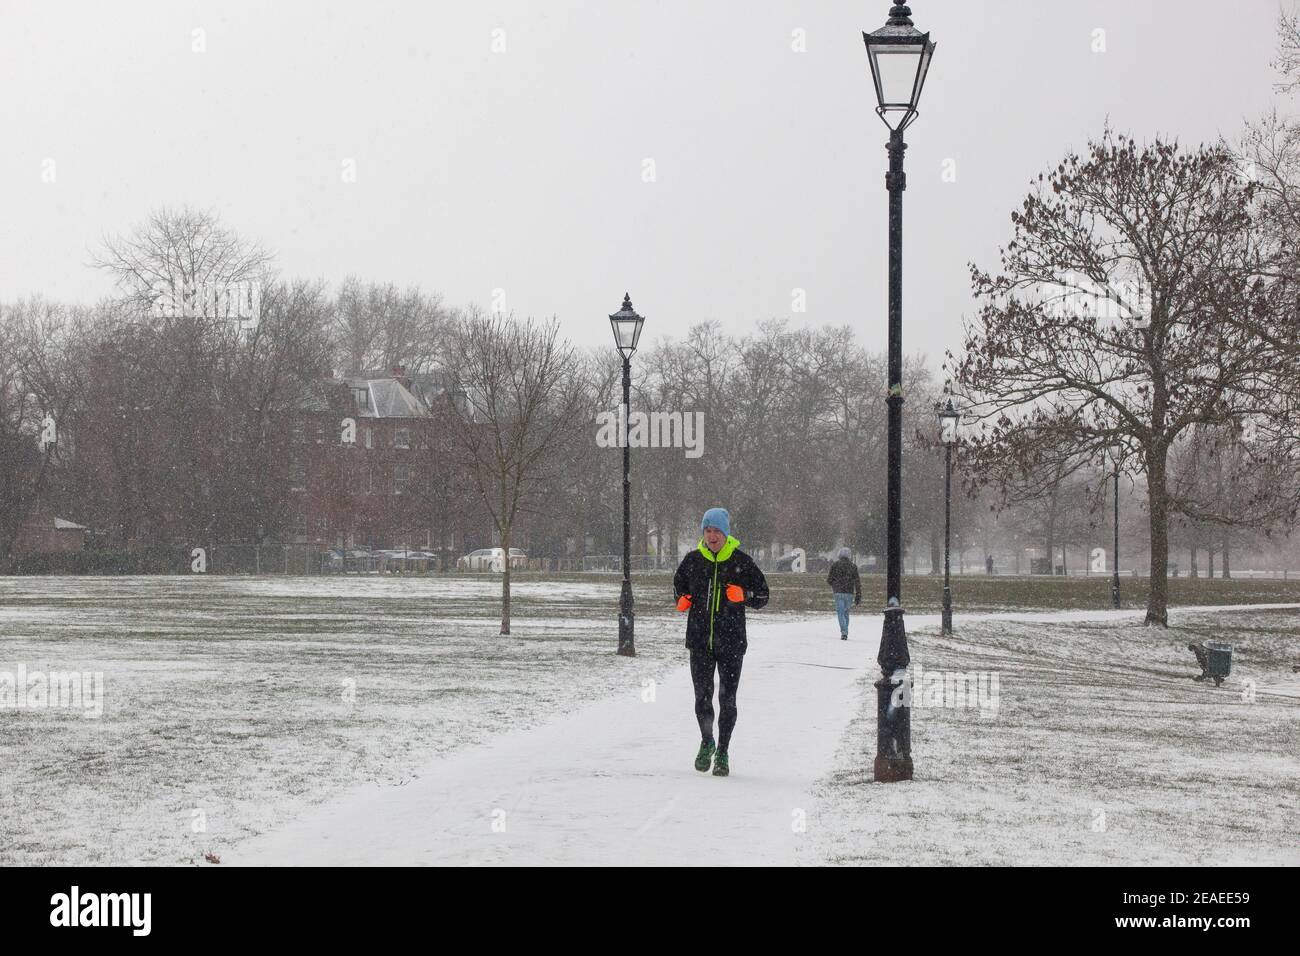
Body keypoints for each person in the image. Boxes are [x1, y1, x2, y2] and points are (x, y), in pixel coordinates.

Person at [673, 507, 769, 777]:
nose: (712, 536)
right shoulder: (693, 560)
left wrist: (745, 595)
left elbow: (764, 595)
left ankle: (723, 751)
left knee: (727, 699)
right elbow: (678, 584)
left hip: (731, 643)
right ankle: (707, 741)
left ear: (726, 534)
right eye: (707, 530)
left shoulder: (742, 562)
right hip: (700, 642)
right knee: (702, 698)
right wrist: (680, 598)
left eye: (716, 531)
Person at [826, 547, 861, 640]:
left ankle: (844, 632)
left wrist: (834, 584)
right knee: (846, 613)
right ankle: (845, 631)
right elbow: (857, 582)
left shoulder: (835, 565)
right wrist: (858, 594)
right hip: (849, 592)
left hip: (838, 592)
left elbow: (829, 580)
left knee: (840, 613)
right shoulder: (853, 566)